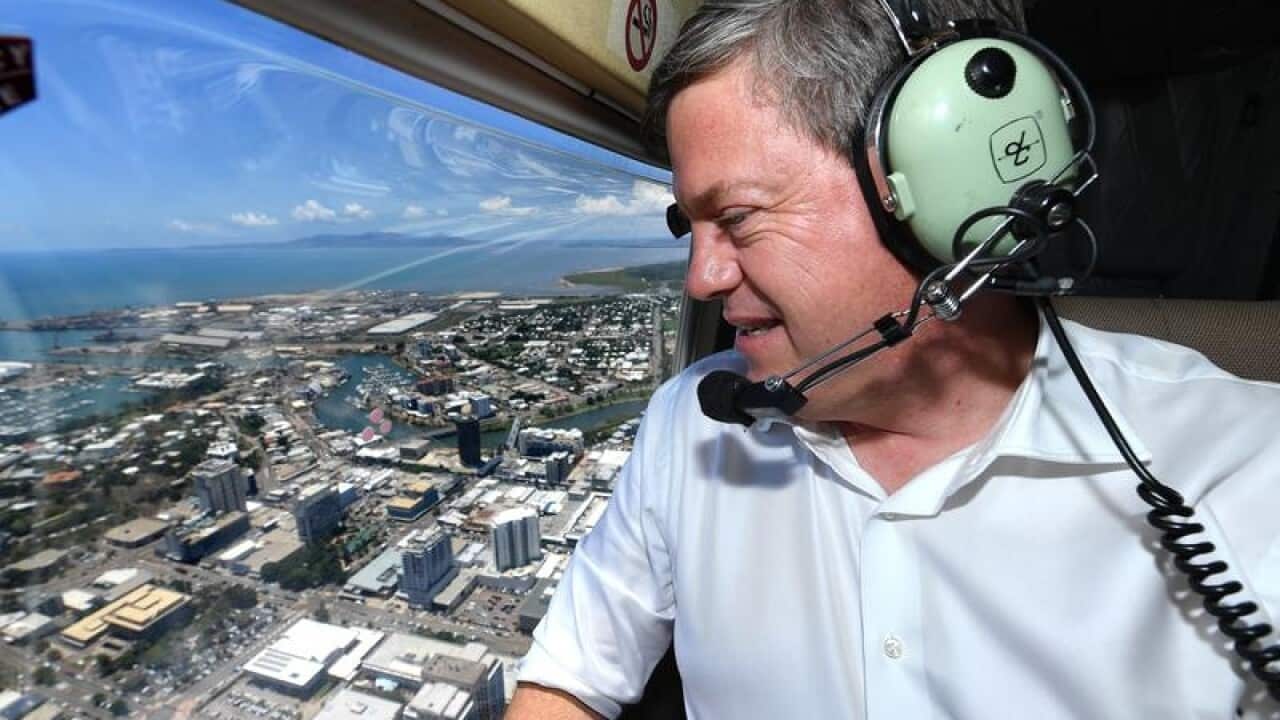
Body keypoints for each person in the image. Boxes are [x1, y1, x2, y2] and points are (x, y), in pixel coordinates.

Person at [508, 1, 1280, 718]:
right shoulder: (691, 421)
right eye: (693, 227)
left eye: (736, 218)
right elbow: (570, 676)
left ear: (948, 190)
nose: (702, 279)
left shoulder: (1245, 470)